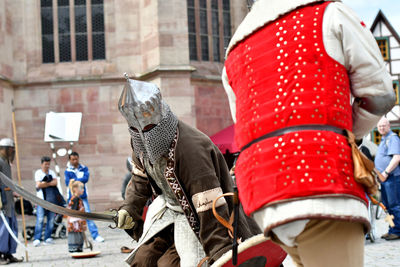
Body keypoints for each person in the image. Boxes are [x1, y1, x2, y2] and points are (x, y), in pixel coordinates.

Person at [222, 1, 396, 267]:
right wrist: (350, 138)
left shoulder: (234, 48)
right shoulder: (329, 12)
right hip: (323, 181)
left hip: (263, 196)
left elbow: (245, 127)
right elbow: (380, 95)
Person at [116, 77, 265, 266]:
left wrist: (221, 254)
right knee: (143, 260)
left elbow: (210, 207)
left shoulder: (191, 150)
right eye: (137, 130)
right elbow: (140, 181)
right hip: (169, 210)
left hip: (200, 217)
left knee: (174, 264)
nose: (144, 135)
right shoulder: (142, 142)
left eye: (148, 129)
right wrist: (129, 208)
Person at [64, 152, 104, 243]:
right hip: (72, 197)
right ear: (70, 160)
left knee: (88, 215)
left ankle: (95, 235)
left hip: (83, 196)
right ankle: (75, 237)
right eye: (72, 159)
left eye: (76, 159)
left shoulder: (84, 168)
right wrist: (77, 181)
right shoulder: (68, 170)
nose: (75, 161)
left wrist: (74, 180)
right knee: (73, 218)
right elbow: (68, 183)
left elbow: (85, 179)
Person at [374, 117, 400, 240]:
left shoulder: (392, 138)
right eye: (379, 126)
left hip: (391, 177)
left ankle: (397, 231)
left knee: (394, 205)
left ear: (389, 126)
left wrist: (385, 172)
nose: (381, 128)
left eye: (384, 125)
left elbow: (396, 158)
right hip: (384, 179)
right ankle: (392, 229)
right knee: (387, 206)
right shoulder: (384, 139)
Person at [0, 138, 23, 264]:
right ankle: (0, 255)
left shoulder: (6, 162)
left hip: (9, 201)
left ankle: (8, 253)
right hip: (1, 201)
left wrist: (12, 191)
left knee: (12, 227)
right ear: (7, 149)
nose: (13, 151)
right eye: (12, 149)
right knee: (3, 229)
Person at [32, 156, 61, 247]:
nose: (47, 166)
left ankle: (47, 237)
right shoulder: (38, 173)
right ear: (42, 164)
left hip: (51, 200)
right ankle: (37, 238)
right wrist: (48, 183)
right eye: (45, 164)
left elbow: (55, 183)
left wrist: (45, 183)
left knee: (51, 219)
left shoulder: (52, 172)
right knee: (40, 219)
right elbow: (39, 185)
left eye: (48, 164)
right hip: (41, 200)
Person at [67, 181, 87, 253]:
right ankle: (75, 248)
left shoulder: (78, 199)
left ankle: (78, 248)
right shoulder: (75, 199)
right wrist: (80, 220)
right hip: (75, 223)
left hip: (78, 222)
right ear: (75, 189)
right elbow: (74, 212)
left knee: (79, 235)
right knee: (76, 236)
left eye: (83, 188)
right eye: (81, 188)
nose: (83, 190)